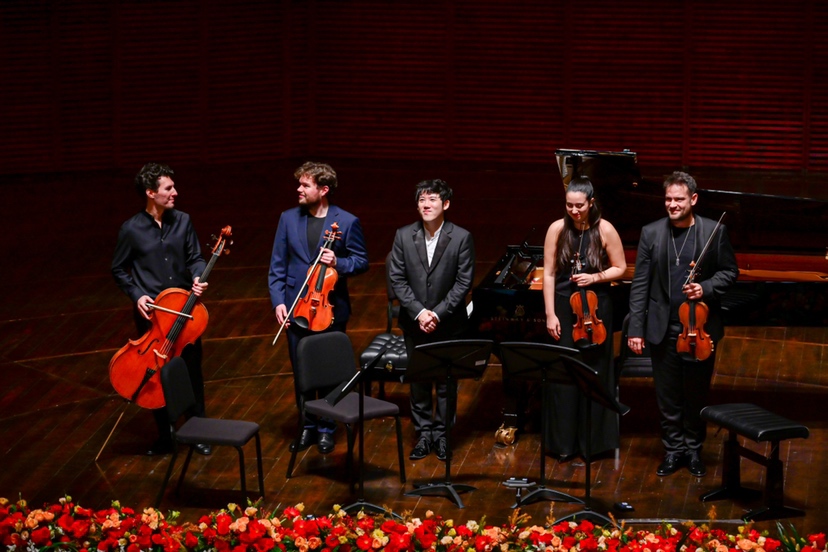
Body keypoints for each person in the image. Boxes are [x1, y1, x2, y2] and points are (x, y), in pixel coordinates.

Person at [627, 171, 738, 477]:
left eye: (679, 199)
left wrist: (706, 288)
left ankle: (694, 450)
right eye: (668, 199)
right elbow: (640, 285)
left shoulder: (714, 231)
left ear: (693, 199)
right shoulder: (651, 233)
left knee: (696, 394)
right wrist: (635, 328)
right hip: (663, 328)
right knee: (668, 396)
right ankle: (673, 450)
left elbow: (730, 272)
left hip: (699, 329)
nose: (672, 204)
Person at [111, 162, 211, 456]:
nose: (175, 192)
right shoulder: (131, 229)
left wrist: (198, 275)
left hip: (184, 310)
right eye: (169, 188)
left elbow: (195, 258)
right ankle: (166, 436)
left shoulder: (183, 221)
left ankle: (199, 432)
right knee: (155, 374)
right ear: (151, 192)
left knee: (192, 372)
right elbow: (119, 269)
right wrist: (137, 295)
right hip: (152, 314)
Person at [268, 161, 368, 454]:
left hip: (329, 308)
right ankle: (307, 426)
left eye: (305, 185)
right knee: (302, 372)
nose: (298, 189)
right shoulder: (287, 218)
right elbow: (277, 266)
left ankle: (326, 428)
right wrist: (278, 302)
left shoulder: (346, 221)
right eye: (299, 184)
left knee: (327, 371)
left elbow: (361, 261)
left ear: (323, 190)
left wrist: (339, 262)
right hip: (296, 307)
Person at [388, 179, 475, 462]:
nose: (426, 205)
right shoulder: (403, 235)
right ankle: (424, 435)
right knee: (419, 381)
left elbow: (463, 283)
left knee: (447, 383)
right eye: (422, 200)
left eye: (432, 199)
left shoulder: (461, 237)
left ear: (445, 204)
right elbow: (397, 279)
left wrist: (436, 313)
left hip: (448, 323)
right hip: (415, 322)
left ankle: (443, 436)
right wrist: (420, 312)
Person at [542, 176, 627, 460]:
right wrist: (550, 314)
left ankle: (594, 445)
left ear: (591, 203)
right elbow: (549, 274)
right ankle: (563, 445)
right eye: (569, 205)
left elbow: (620, 268)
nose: (574, 211)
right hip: (564, 308)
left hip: (596, 308)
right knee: (564, 374)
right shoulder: (557, 229)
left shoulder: (605, 229)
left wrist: (595, 277)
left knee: (595, 371)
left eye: (579, 205)